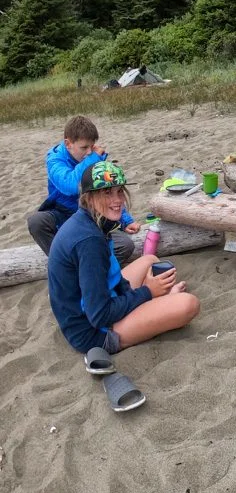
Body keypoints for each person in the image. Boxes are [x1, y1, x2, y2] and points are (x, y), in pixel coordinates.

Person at [47, 162, 200, 355]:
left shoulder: (92, 221)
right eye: (107, 193)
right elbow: (100, 315)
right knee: (188, 304)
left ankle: (153, 306)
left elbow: (109, 280)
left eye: (119, 192)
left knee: (150, 259)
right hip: (92, 333)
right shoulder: (89, 241)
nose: (117, 199)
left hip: (89, 307)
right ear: (89, 197)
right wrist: (148, 293)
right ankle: (154, 308)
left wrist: (146, 294)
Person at [28, 115, 140, 266]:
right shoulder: (55, 159)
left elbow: (111, 194)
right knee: (37, 222)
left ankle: (83, 265)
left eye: (92, 146)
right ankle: (64, 263)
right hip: (62, 213)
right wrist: (94, 159)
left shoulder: (93, 158)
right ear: (68, 144)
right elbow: (70, 186)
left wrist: (126, 220)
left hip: (91, 215)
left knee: (126, 246)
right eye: (84, 147)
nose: (89, 152)